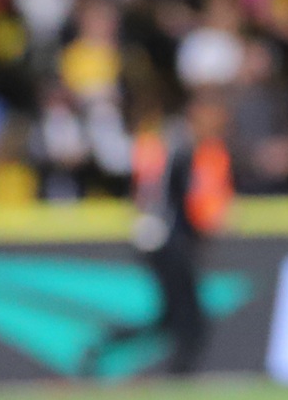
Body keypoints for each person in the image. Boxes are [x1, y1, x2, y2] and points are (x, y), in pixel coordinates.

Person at [87, 89, 234, 376]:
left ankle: (103, 347)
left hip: (171, 239)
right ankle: (180, 376)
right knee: (188, 317)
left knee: (171, 317)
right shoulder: (175, 146)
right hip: (166, 240)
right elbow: (161, 195)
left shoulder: (189, 147)